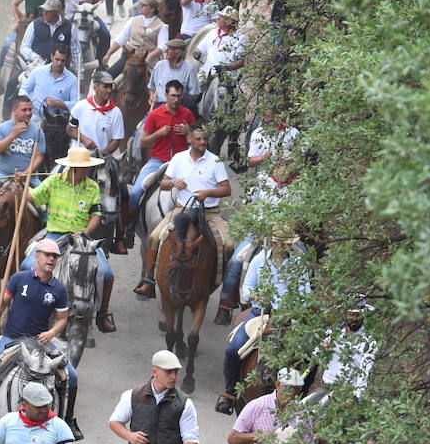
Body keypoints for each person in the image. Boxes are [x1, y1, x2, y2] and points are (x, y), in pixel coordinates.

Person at [0, 238, 82, 439]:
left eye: (55, 256)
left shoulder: (59, 289)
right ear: (36, 256)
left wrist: (52, 333)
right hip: (10, 338)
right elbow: (1, 303)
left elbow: (62, 319)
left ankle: (69, 421)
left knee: (72, 376)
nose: (51, 259)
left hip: (40, 343)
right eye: (47, 254)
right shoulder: (19, 278)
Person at [20, 142, 117, 334]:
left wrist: (86, 233)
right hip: (55, 234)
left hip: (81, 237)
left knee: (107, 273)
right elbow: (34, 197)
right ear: (72, 166)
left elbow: (96, 215)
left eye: (86, 167)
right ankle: (21, 308)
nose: (84, 170)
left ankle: (102, 314)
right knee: (26, 266)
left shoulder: (92, 187)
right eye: (81, 167)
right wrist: (20, 190)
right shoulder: (54, 181)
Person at [213, 113, 300, 323]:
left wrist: (289, 228)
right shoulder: (262, 182)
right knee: (235, 260)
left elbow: (299, 216)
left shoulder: (299, 185)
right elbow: (251, 212)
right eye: (281, 162)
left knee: (305, 261)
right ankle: (225, 303)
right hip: (260, 231)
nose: (284, 166)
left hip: (288, 235)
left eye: (288, 162)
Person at [134, 126, 231, 299]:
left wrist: (208, 193)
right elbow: (163, 184)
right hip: (181, 209)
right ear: (189, 140)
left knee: (229, 244)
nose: (203, 142)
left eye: (205, 139)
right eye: (199, 139)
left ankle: (226, 293)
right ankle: (148, 280)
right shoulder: (178, 158)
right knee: (154, 237)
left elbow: (226, 189)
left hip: (209, 212)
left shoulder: (215, 160)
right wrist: (173, 183)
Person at [216, 233, 311, 408]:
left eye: (287, 244)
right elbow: (247, 289)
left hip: (288, 318)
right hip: (260, 315)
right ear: (273, 242)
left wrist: (294, 307)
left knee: (310, 356)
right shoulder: (260, 260)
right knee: (232, 350)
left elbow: (306, 294)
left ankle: (303, 401)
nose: (284, 247)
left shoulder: (299, 264)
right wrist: (257, 296)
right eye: (281, 243)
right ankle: (230, 393)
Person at [0, 95, 45, 264]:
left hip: (28, 177)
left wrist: (28, 171)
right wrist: (13, 134)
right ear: (14, 110)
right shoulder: (3, 128)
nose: (28, 113)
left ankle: (45, 247)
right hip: (2, 176)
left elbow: (39, 156)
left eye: (30, 110)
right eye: (24, 110)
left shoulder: (38, 131)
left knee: (45, 207)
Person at [125, 82, 196, 244]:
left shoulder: (187, 114)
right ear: (166, 95)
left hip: (182, 162)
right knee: (136, 192)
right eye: (173, 96)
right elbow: (143, 142)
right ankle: (129, 228)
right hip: (158, 161)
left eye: (179, 96)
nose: (176, 100)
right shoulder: (155, 114)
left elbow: (199, 137)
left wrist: (188, 132)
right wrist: (159, 133)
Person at [226, 368, 307, 444]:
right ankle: (228, 396)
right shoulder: (257, 405)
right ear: (277, 384)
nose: (293, 393)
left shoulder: (303, 413)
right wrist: (258, 436)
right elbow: (232, 439)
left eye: (297, 389)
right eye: (289, 388)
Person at [317, 305, 377, 399]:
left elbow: (365, 372)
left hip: (348, 392)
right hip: (326, 386)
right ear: (346, 314)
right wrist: (322, 348)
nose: (354, 318)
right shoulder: (333, 333)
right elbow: (316, 355)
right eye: (351, 314)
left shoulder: (369, 342)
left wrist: (356, 397)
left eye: (358, 315)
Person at [102, 0, 167, 74]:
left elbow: (162, 46)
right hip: (131, 56)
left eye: (144, 5)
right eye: (141, 5)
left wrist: (150, 56)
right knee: (108, 76)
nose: (141, 7)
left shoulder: (162, 26)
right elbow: (121, 39)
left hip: (150, 60)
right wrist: (108, 54)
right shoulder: (132, 20)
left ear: (152, 9)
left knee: (159, 83)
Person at [68, 71, 125, 158]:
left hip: (102, 159)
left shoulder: (116, 112)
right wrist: (84, 140)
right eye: (105, 87)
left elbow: (117, 139)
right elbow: (70, 129)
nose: (109, 90)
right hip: (79, 156)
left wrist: (101, 155)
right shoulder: (81, 106)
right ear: (95, 88)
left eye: (110, 86)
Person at [19, 0, 81, 70]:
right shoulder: (34, 24)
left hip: (61, 70)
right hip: (35, 67)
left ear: (57, 12)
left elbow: (76, 53)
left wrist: (80, 74)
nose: (45, 13)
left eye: (49, 11)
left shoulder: (70, 28)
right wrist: (35, 57)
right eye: (44, 10)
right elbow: (24, 47)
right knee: (12, 81)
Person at [22, 47, 79, 118]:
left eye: (63, 61)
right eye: (57, 59)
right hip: (34, 117)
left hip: (57, 122)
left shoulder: (72, 80)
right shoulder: (37, 72)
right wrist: (27, 102)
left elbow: (76, 105)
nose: (59, 63)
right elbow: (24, 89)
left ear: (67, 60)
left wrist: (59, 104)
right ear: (52, 56)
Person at [147, 39, 200, 109]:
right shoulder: (159, 65)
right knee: (144, 120)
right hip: (159, 107)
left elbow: (194, 94)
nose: (166, 51)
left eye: (169, 49)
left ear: (178, 53)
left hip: (179, 108)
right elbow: (151, 87)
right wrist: (152, 96)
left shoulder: (189, 69)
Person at [197, 5, 248, 77]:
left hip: (226, 76)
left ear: (230, 22)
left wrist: (225, 67)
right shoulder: (213, 32)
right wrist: (197, 53)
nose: (218, 18)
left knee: (222, 88)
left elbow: (242, 62)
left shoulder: (240, 38)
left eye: (222, 17)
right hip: (206, 72)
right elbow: (201, 49)